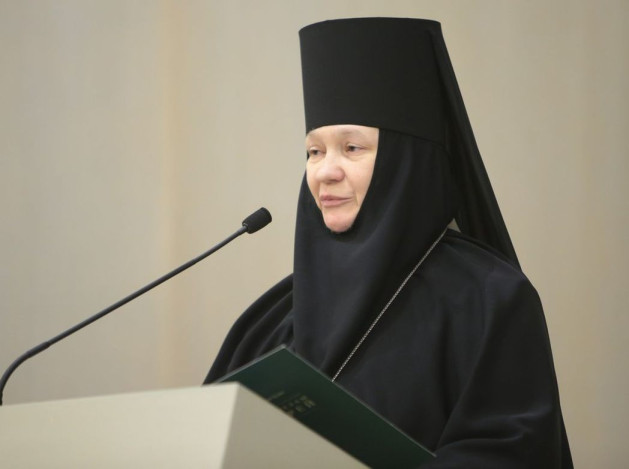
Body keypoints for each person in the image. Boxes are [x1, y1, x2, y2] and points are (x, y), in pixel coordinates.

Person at [204, 18, 573, 467]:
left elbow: (511, 453)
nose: (325, 171)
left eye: (352, 148)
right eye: (314, 151)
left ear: (406, 161)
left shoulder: (490, 298)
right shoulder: (270, 320)